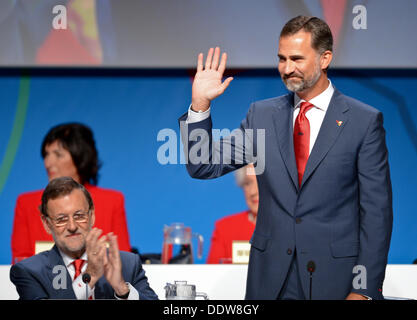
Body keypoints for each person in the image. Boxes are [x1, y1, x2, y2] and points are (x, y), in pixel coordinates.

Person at [179, 16, 393, 300]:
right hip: (270, 282)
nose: (287, 68)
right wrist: (200, 105)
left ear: (325, 58)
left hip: (335, 281)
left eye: (297, 59)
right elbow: (202, 164)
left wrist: (364, 290)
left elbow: (376, 214)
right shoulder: (262, 115)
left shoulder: (363, 121)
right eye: (281, 59)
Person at [10, 177, 157, 300]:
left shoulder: (127, 264)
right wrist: (89, 277)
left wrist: (123, 290)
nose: (72, 226)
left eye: (79, 216)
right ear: (47, 224)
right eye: (61, 219)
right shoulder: (29, 272)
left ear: (92, 216)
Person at [11, 123, 131, 263]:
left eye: (58, 155)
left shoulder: (112, 201)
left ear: (80, 158)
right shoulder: (26, 203)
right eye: (46, 155)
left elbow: (122, 261)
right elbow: (21, 263)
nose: (48, 163)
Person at [207, 164, 258, 264]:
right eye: (248, 183)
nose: (253, 191)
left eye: (260, 182)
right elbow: (212, 277)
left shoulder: (290, 228)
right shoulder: (225, 228)